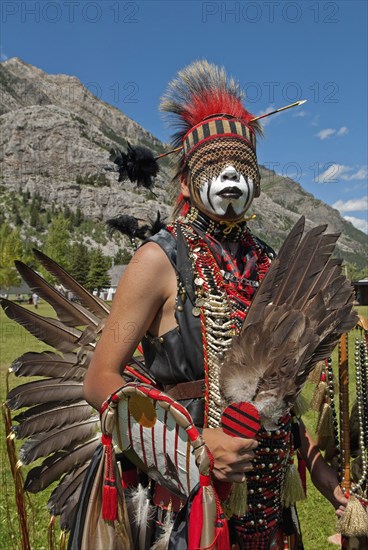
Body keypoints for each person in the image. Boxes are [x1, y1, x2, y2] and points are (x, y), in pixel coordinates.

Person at [83, 61, 347, 549]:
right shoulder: (158, 260)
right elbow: (100, 381)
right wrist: (198, 446)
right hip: (190, 506)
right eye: (214, 165)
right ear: (185, 183)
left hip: (268, 504)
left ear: (258, 184)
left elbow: (279, 401)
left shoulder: (270, 263)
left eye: (243, 166)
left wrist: (334, 488)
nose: (230, 176)